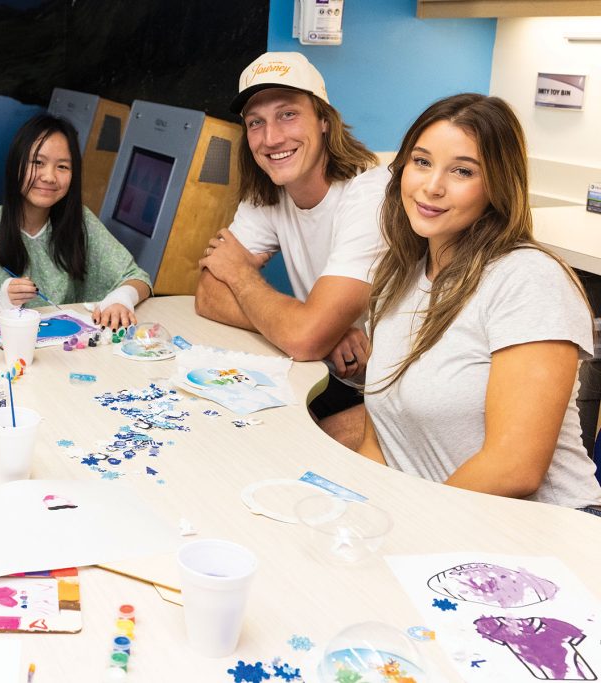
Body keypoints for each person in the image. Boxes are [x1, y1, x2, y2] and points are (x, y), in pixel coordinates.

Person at [359, 93, 601, 511]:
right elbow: (377, 442)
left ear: (496, 185)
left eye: (462, 171)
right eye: (421, 162)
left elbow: (515, 467)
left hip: (542, 534)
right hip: (445, 524)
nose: (432, 186)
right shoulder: (396, 278)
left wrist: (406, 526)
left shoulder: (527, 279)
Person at [195, 51, 388, 448]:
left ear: (323, 120)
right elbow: (208, 294)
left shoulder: (369, 194)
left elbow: (301, 338)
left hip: (397, 394)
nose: (271, 138)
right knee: (224, 433)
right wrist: (316, 328)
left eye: (288, 114)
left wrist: (306, 328)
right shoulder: (269, 189)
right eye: (256, 123)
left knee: (290, 450)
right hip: (331, 371)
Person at [0, 113, 152, 328]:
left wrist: (122, 298)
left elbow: (137, 277)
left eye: (62, 166)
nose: (49, 177)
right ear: (16, 165)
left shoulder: (80, 222)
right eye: (38, 163)